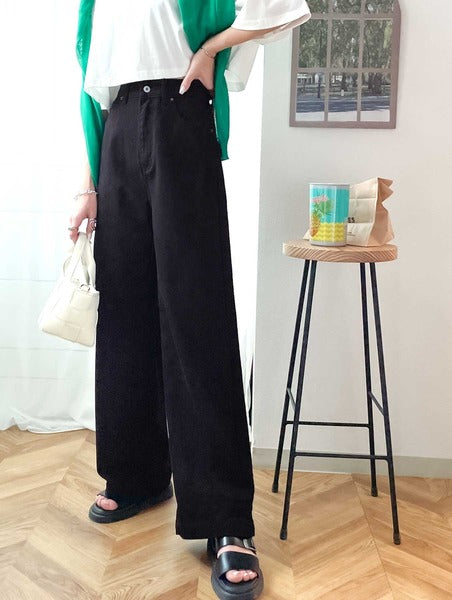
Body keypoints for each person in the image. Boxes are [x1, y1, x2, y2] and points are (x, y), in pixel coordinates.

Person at [68, 1, 311, 598]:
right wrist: (88, 185)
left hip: (180, 115)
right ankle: (138, 474)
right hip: (118, 131)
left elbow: (282, 8)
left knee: (197, 316)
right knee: (124, 315)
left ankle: (225, 517)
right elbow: (92, 89)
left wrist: (210, 50)